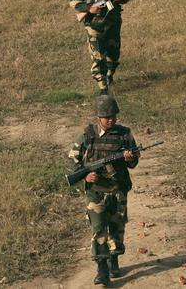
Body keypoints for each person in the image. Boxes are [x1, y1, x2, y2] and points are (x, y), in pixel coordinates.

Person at [68, 95, 139, 286]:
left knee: (117, 227)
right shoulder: (87, 135)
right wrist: (84, 176)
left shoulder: (125, 134)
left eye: (114, 116)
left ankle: (113, 260)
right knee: (98, 229)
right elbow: (73, 159)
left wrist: (129, 158)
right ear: (99, 117)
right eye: (107, 117)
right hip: (95, 192)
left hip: (117, 190)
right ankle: (102, 270)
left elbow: (134, 161)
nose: (111, 120)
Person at [70, 0, 131, 94]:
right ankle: (103, 88)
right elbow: (73, 1)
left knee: (113, 55)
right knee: (98, 57)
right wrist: (89, 8)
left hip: (113, 23)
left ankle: (110, 75)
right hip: (94, 26)